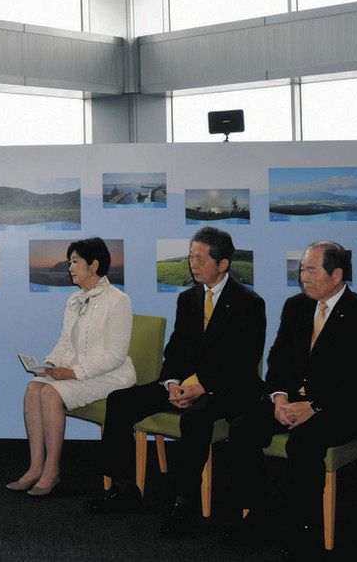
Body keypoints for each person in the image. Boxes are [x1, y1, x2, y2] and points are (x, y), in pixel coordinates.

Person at [86, 226, 266, 538]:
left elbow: (243, 361)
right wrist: (171, 383)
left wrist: (202, 386)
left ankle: (185, 504)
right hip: (182, 384)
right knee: (120, 401)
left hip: (227, 388)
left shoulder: (249, 303)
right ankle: (124, 489)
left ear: (223, 264)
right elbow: (176, 351)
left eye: (200, 258)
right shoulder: (188, 298)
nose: (192, 264)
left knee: (196, 417)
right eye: (191, 257)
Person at [226, 241, 357, 553]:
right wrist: (280, 398)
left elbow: (356, 378)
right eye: (301, 270)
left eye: (311, 271)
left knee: (304, 442)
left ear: (336, 274)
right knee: (243, 428)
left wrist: (313, 406)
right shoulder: (296, 306)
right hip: (291, 401)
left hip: (340, 408)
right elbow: (278, 357)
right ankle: (258, 513)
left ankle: (303, 529)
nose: (303, 277)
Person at [7, 237, 134, 497]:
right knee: (33, 388)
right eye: (70, 262)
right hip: (77, 372)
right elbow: (65, 342)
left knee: (50, 393)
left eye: (75, 262)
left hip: (111, 376)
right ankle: (35, 467)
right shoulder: (74, 299)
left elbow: (115, 356)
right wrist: (51, 363)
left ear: (94, 265)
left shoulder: (118, 300)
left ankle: (52, 471)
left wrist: (73, 372)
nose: (70, 267)